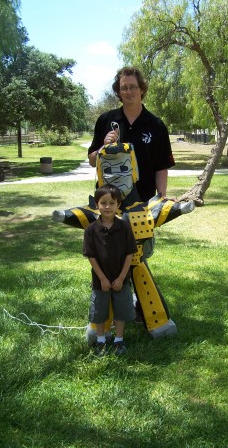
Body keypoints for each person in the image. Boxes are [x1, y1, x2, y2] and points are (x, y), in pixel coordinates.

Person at [88, 66, 176, 202]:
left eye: (133, 87)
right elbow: (92, 161)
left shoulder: (156, 125)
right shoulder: (105, 120)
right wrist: (104, 148)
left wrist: (161, 198)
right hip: (109, 205)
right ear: (119, 92)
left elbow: (161, 167)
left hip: (144, 201)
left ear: (142, 89)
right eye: (124, 88)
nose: (129, 92)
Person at [83, 184, 138, 356]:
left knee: (121, 310)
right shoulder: (91, 230)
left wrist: (122, 278)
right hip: (101, 281)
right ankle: (100, 341)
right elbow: (91, 256)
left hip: (121, 279)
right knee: (100, 311)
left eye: (112, 203)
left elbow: (130, 254)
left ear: (118, 205)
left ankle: (119, 340)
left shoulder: (125, 228)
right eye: (103, 202)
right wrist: (103, 279)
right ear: (96, 204)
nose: (107, 207)